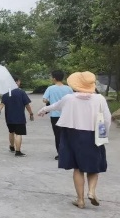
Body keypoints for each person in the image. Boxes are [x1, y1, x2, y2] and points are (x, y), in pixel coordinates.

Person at [38, 71, 111, 209]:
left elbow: (55, 106)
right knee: (93, 165)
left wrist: (43, 110)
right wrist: (104, 134)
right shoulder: (100, 99)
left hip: (73, 135)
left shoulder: (69, 98)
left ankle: (80, 200)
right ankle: (91, 191)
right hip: (93, 134)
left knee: (78, 168)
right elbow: (107, 119)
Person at [0, 76, 34, 157]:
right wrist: (31, 113)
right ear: (17, 81)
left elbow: (1, 104)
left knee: (11, 132)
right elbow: (27, 105)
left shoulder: (6, 93)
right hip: (19, 118)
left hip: (9, 118)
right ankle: (18, 151)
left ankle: (12, 147)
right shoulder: (21, 92)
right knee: (18, 134)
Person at [42, 70, 74, 160]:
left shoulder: (50, 88)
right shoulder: (69, 88)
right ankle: (68, 152)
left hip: (55, 115)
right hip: (67, 115)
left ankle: (60, 154)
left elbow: (44, 100)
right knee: (67, 134)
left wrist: (50, 100)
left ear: (54, 78)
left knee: (58, 135)